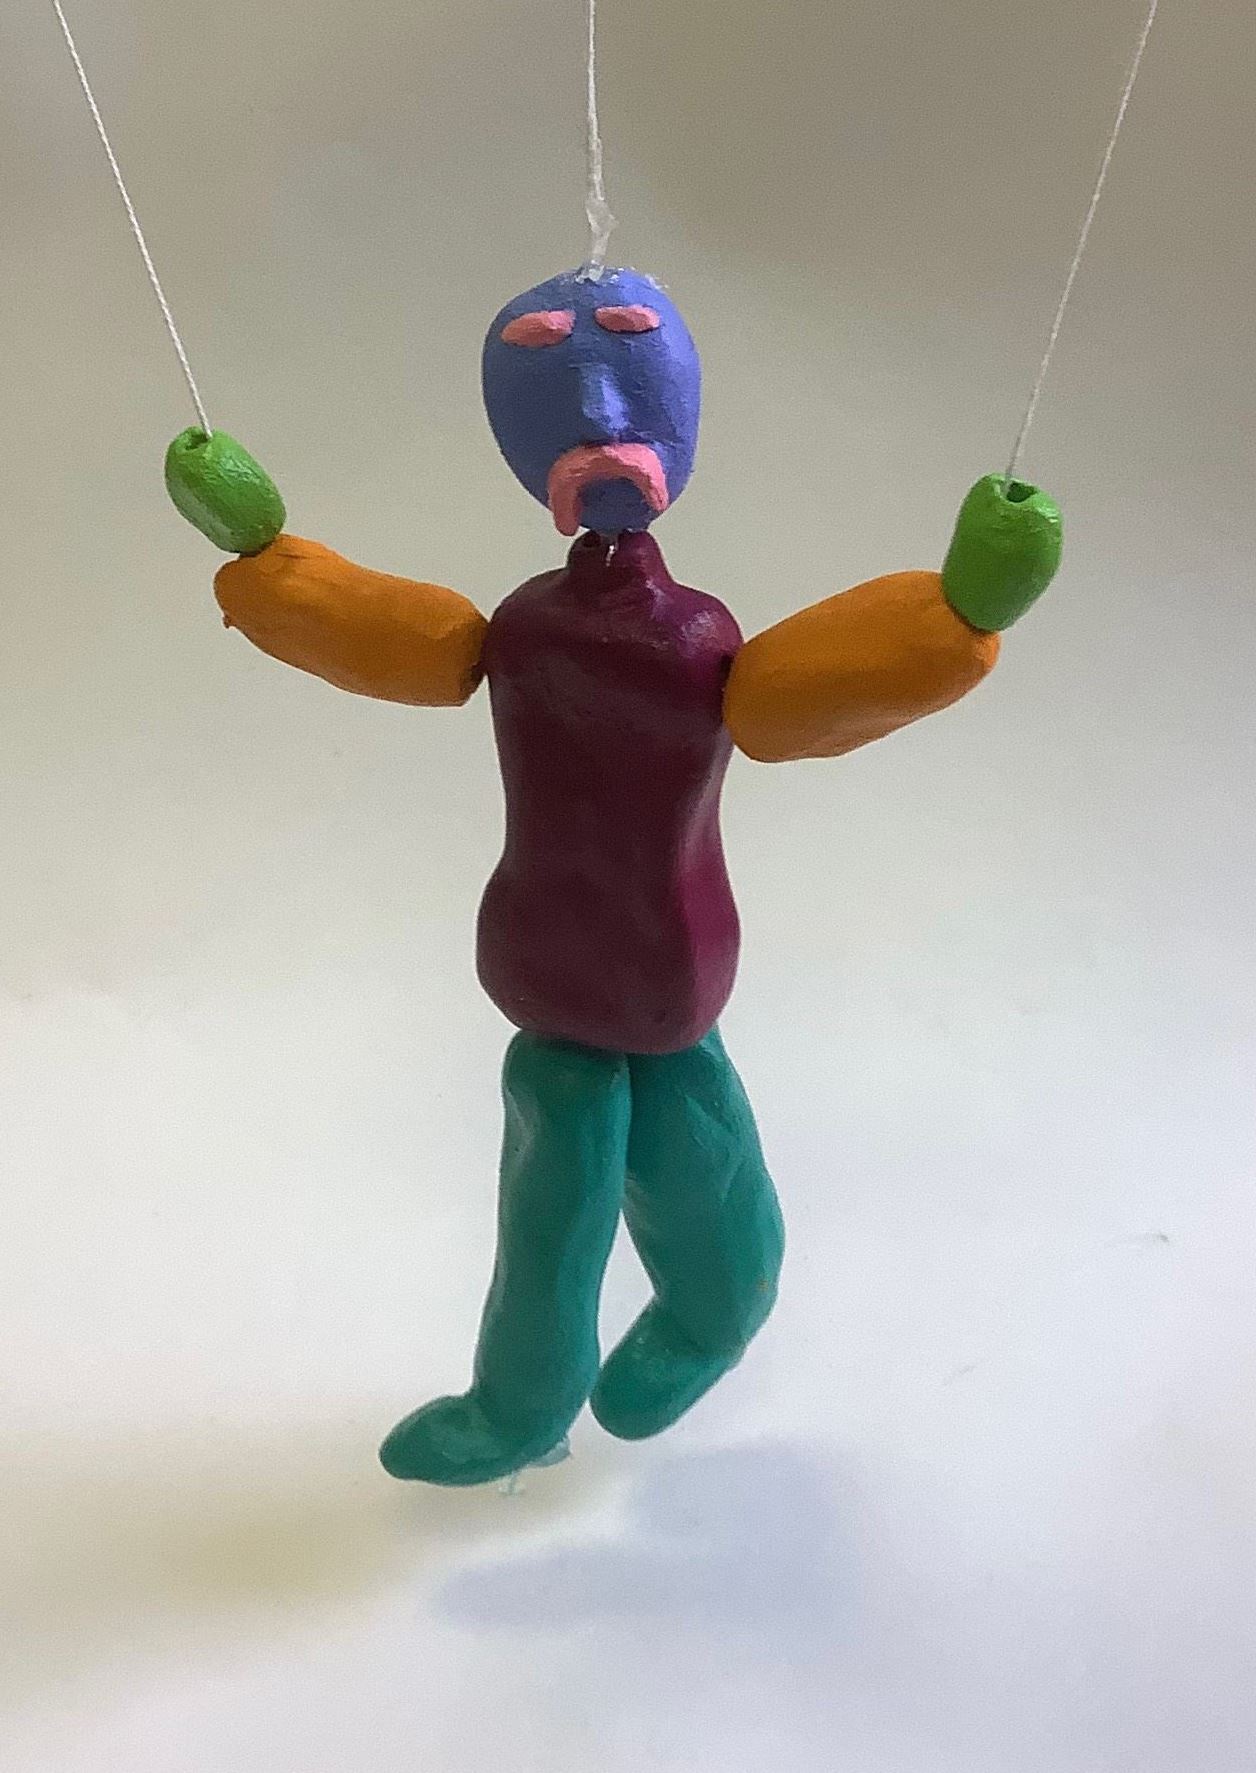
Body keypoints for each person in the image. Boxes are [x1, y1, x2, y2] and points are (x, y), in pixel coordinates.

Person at [190, 266, 1061, 1484]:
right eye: (553, 372)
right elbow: (372, 628)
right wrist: (257, 557)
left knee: (668, 1168)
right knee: (568, 1199)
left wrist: (964, 612)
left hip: (660, 968)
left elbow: (817, 689)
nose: (598, 413)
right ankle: (543, 1395)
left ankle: (680, 1332)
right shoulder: (523, 634)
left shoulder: (689, 643)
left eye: (625, 363)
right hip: (564, 965)